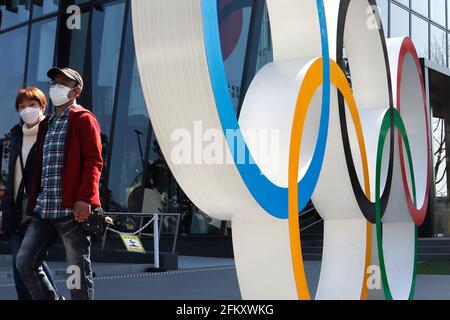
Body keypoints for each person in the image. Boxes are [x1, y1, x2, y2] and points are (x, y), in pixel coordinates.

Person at [16, 68, 103, 300]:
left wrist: (86, 198)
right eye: (53, 82)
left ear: (76, 90)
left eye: (63, 83)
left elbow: (94, 161)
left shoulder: (84, 119)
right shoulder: (47, 124)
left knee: (76, 275)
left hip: (71, 212)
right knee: (24, 263)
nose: (55, 87)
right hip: (44, 209)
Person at [0, 88, 57, 300]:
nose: (27, 110)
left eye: (32, 105)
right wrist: (4, 211)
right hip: (16, 210)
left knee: (30, 262)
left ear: (43, 106)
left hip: (41, 208)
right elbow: (13, 177)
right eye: (22, 107)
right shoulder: (17, 136)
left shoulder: (52, 132)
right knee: (20, 265)